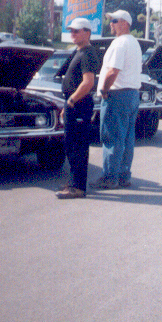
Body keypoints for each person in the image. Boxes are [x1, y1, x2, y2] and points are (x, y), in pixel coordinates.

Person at [97, 9, 143, 189]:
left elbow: (113, 71)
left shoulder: (120, 43)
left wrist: (104, 89)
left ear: (125, 23)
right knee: (127, 138)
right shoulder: (134, 43)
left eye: (114, 20)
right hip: (132, 94)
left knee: (112, 137)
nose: (111, 24)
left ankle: (110, 177)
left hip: (117, 94)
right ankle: (124, 175)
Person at [56, 18, 100, 199]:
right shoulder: (78, 52)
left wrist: (72, 100)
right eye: (71, 31)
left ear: (87, 33)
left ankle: (78, 187)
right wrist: (68, 104)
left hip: (79, 105)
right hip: (73, 104)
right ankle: (74, 183)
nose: (72, 34)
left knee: (77, 146)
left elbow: (88, 82)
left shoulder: (88, 53)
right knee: (71, 144)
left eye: (76, 31)